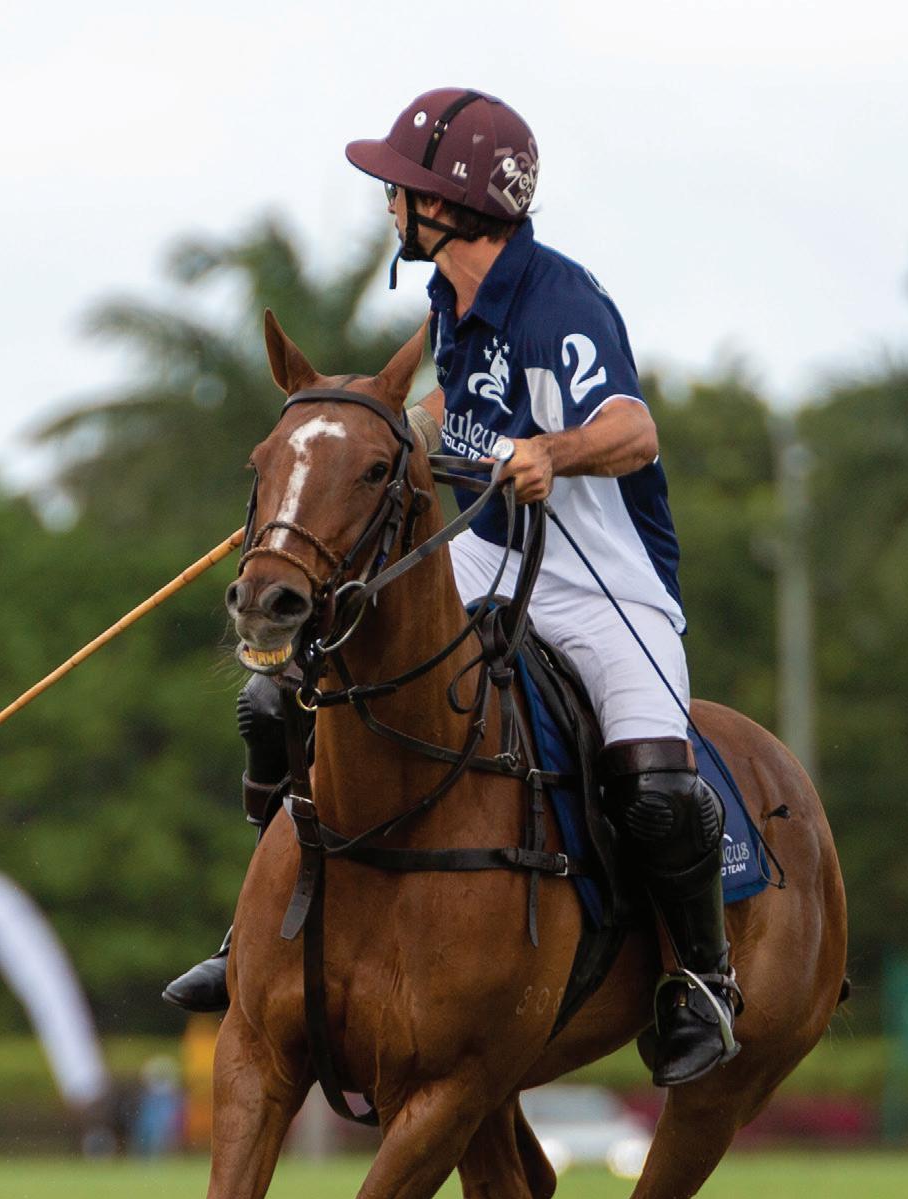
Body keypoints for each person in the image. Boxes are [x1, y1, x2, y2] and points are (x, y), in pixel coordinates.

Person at [164, 88, 739, 1087]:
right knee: (284, 695)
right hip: (481, 551)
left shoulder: (559, 300)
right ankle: (253, 933)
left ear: (449, 205)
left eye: (400, 187)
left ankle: (700, 981)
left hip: (602, 579)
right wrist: (347, 455)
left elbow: (633, 429)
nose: (389, 202)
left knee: (656, 787)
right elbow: (454, 406)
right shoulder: (452, 300)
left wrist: (551, 451)